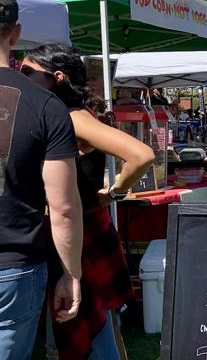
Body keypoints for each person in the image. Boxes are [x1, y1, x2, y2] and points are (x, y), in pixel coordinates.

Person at [23, 44, 155, 360]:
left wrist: (113, 191)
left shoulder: (74, 118)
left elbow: (142, 155)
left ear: (57, 77)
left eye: (28, 73)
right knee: (98, 323)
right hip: (83, 231)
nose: (22, 78)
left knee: (88, 328)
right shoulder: (66, 115)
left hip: (80, 237)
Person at [0, 0, 83, 360]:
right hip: (13, 269)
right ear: (15, 35)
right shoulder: (46, 105)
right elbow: (63, 206)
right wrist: (70, 272)